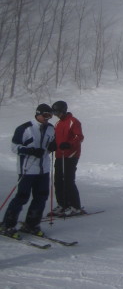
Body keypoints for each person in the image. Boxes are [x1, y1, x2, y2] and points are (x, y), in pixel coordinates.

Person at [0, 104, 57, 237]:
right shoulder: (25, 128)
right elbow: (15, 147)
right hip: (27, 169)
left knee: (41, 197)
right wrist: (30, 150)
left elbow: (49, 146)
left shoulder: (50, 128)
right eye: (45, 115)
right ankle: (7, 225)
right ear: (38, 114)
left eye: (50, 116)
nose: (47, 119)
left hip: (43, 169)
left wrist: (54, 146)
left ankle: (31, 224)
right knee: (22, 197)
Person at [50, 100, 85, 217]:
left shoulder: (73, 122)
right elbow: (55, 138)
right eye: (55, 113)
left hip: (71, 155)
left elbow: (79, 137)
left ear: (63, 111)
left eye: (58, 112)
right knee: (58, 181)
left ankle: (75, 206)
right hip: (59, 155)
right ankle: (63, 204)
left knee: (68, 181)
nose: (56, 115)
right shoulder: (58, 124)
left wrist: (69, 144)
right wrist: (53, 144)